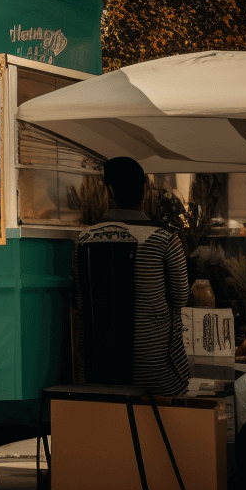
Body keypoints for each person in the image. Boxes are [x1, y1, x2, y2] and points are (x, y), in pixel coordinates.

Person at [71, 157, 190, 397]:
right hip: (157, 375)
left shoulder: (83, 240)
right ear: (145, 190)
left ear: (110, 191)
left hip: (99, 375)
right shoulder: (164, 239)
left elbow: (79, 299)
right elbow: (180, 298)